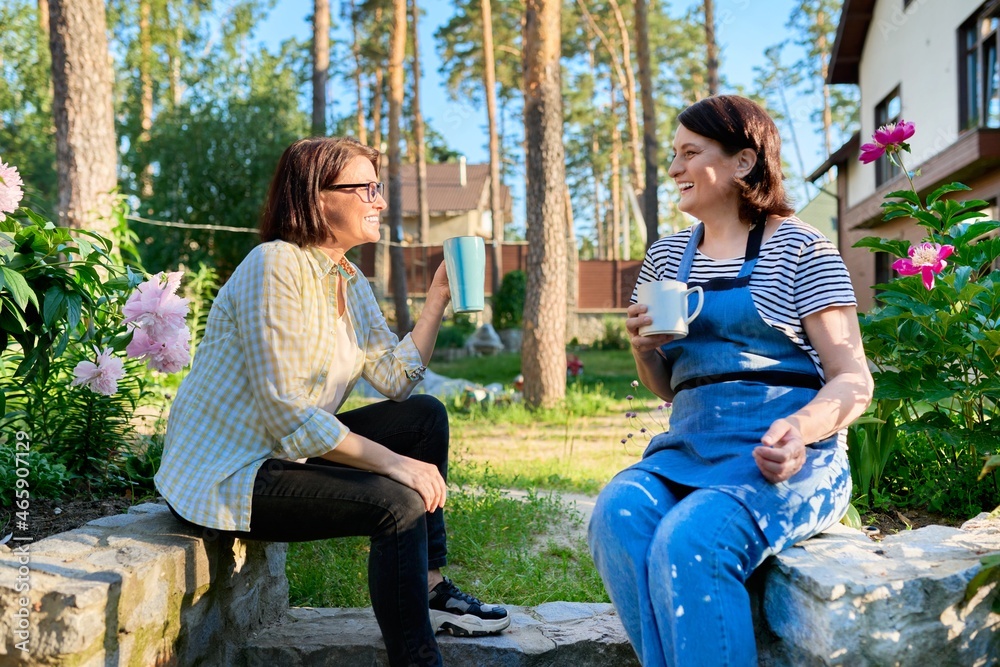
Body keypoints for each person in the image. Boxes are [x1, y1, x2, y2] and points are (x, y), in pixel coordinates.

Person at [155, 137, 510, 667]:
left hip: (279, 453)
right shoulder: (273, 266)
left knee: (423, 418)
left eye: (378, 188)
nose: (380, 202)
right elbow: (285, 410)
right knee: (399, 504)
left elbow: (394, 380)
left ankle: (432, 587)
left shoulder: (348, 279)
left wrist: (436, 300)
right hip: (228, 473)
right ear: (318, 198)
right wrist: (395, 466)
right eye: (365, 188)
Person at [588, 95, 873, 666]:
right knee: (616, 513)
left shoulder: (801, 248)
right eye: (673, 155)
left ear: (743, 163)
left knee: (693, 541)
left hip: (785, 457)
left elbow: (853, 380)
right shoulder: (666, 258)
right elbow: (669, 389)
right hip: (686, 450)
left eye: (690, 153)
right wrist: (644, 351)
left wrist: (798, 430)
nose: (673, 169)